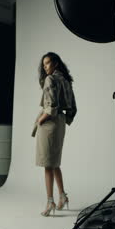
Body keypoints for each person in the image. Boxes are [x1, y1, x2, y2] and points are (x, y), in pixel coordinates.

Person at [32, 52, 77, 217]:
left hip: (49, 124)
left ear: (56, 63)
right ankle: (63, 196)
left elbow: (50, 107)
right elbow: (73, 107)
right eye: (43, 65)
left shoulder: (51, 79)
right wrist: (63, 117)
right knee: (54, 162)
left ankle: (50, 201)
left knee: (47, 165)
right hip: (60, 123)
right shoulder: (65, 80)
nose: (45, 67)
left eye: (48, 63)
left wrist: (40, 121)